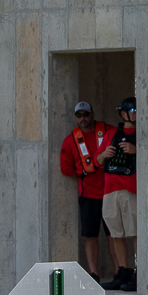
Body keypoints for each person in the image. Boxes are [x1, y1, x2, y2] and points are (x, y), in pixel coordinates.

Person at [58, 101, 114, 282]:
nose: (84, 118)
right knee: (90, 235)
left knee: (114, 235)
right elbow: (65, 168)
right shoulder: (70, 140)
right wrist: (83, 173)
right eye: (79, 115)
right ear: (75, 118)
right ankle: (93, 273)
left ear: (93, 114)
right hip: (88, 195)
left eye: (86, 114)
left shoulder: (107, 131)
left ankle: (119, 271)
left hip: (110, 192)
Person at [99, 97, 137, 292]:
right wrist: (105, 154)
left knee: (135, 232)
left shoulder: (141, 134)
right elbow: (97, 161)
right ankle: (122, 271)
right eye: (132, 111)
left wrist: (136, 150)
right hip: (110, 190)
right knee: (116, 234)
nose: (136, 114)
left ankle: (140, 272)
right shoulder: (112, 134)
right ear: (123, 114)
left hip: (130, 189)